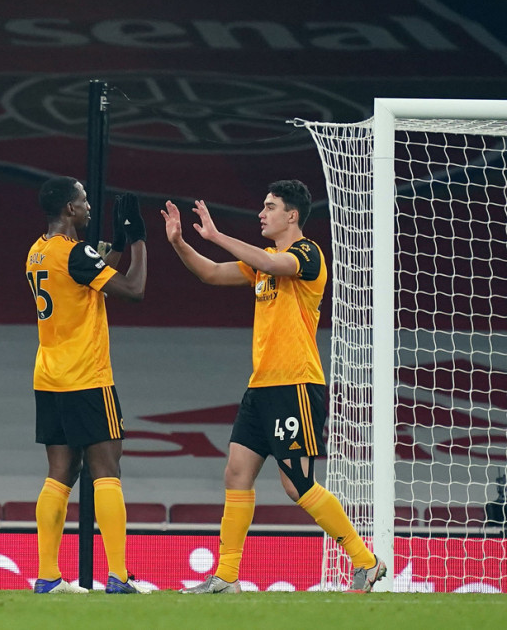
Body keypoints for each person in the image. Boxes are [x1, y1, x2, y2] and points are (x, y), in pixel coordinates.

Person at [163, 180, 387, 594]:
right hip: (261, 386)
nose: (261, 214)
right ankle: (225, 577)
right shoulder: (263, 261)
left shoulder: (307, 254)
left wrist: (216, 235)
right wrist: (179, 242)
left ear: (292, 215)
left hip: (296, 384)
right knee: (236, 474)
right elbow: (211, 273)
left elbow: (274, 266)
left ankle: (365, 559)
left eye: (269, 207)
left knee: (296, 485)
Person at [26, 178, 150, 594]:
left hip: (49, 376)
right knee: (107, 469)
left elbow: (92, 274)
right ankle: (118, 575)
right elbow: (133, 289)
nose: (89, 206)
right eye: (82, 201)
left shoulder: (38, 251)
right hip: (87, 377)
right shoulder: (74, 253)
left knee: (59, 471)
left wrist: (116, 242)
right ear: (68, 210)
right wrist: (139, 242)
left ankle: (47, 576)